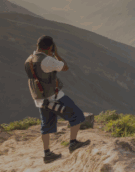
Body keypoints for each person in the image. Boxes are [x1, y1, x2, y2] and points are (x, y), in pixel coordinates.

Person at [25, 35, 90, 163]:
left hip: (40, 100)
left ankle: (47, 154)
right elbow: (64, 67)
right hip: (54, 97)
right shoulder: (47, 61)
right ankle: (73, 143)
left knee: (46, 125)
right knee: (76, 114)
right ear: (50, 47)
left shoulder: (29, 60)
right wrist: (56, 54)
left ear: (37, 46)